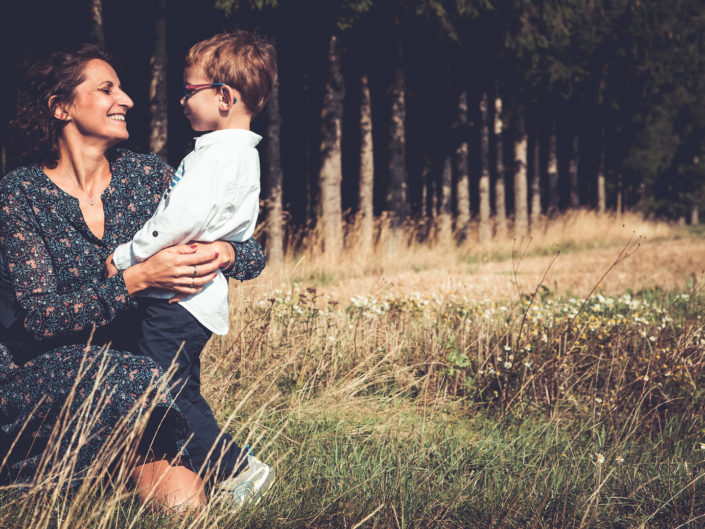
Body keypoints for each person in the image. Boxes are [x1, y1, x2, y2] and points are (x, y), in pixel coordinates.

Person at [0, 44, 266, 510]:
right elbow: (38, 319)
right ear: (61, 107)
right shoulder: (21, 193)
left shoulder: (146, 176)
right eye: (107, 89)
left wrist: (226, 252)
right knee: (142, 375)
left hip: (141, 386)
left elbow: (253, 253)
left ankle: (111, 464)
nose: (127, 100)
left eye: (121, 88)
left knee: (184, 507)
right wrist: (135, 279)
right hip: (49, 374)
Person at [104, 31, 276, 500]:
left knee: (164, 390)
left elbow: (180, 219)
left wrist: (122, 259)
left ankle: (236, 468)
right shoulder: (237, 155)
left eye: (188, 90)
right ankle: (214, 470)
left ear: (224, 96)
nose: (182, 100)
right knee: (175, 389)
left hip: (176, 300)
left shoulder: (218, 157)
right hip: (191, 301)